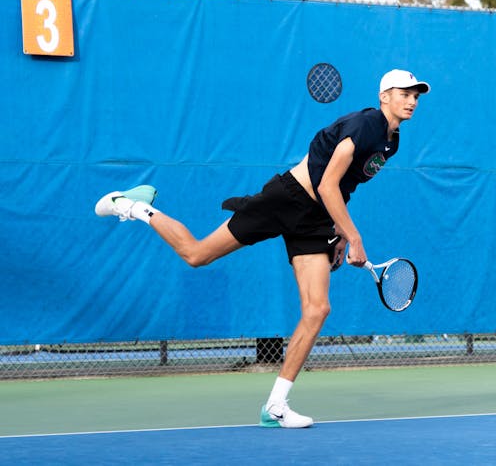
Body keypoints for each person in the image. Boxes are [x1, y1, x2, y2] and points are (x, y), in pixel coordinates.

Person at [94, 69, 430, 428]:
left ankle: (275, 406)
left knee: (317, 310)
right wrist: (355, 235)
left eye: (416, 96)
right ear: (384, 96)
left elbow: (344, 187)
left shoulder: (391, 143)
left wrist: (340, 231)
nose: (411, 101)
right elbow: (327, 184)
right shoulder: (365, 125)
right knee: (196, 254)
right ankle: (134, 206)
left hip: (315, 219)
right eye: (404, 93)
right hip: (286, 199)